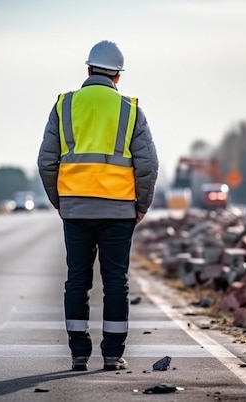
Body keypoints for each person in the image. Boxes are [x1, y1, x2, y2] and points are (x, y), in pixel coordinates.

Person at [37, 40, 159, 371]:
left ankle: (78, 353)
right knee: (115, 281)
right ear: (117, 76)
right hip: (118, 210)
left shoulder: (64, 106)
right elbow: (147, 164)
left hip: (76, 210)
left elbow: (47, 160)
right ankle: (112, 355)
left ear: (88, 70)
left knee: (77, 279)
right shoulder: (130, 109)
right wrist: (141, 205)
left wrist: (60, 201)